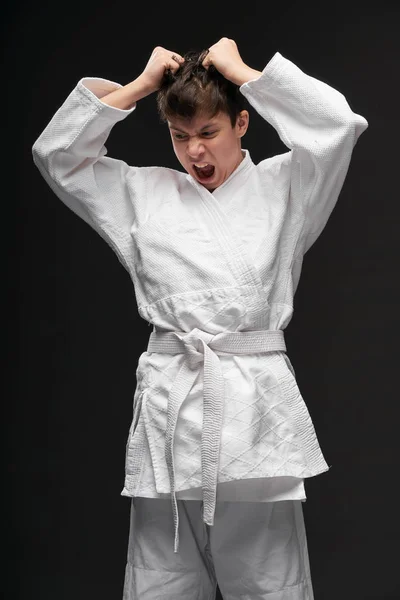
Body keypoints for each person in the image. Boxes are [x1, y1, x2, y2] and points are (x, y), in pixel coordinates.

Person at [32, 37, 368, 600]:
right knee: (161, 582)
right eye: (180, 136)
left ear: (242, 123)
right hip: (172, 406)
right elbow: (57, 155)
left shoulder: (289, 186)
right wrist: (139, 87)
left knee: (270, 584)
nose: (195, 151)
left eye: (208, 132)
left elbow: (338, 126)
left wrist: (247, 74)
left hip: (254, 411)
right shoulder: (141, 193)